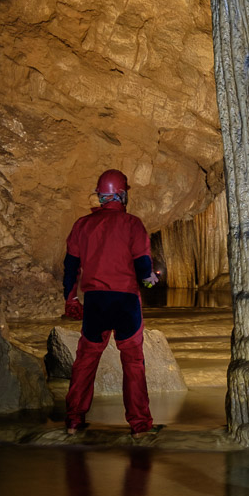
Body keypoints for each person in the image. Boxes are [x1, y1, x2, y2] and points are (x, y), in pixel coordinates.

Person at [62, 169, 159, 437]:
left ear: (101, 196)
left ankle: (73, 420)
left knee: (86, 359)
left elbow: (71, 267)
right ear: (122, 194)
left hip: (95, 301)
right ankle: (139, 425)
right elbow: (142, 265)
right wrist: (149, 279)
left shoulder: (82, 225)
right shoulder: (132, 224)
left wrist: (70, 298)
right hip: (125, 300)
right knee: (133, 362)